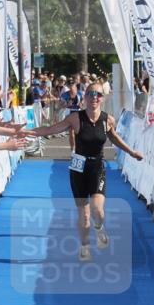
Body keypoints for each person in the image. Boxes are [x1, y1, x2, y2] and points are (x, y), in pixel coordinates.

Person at [23, 83, 143, 261]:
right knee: (84, 214)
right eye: (91, 94)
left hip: (97, 167)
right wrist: (26, 132)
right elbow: (51, 129)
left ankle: (99, 227)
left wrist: (132, 152)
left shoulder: (108, 119)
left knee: (97, 209)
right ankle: (85, 246)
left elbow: (115, 138)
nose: (95, 97)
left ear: (103, 98)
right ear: (85, 97)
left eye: (99, 94)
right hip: (78, 169)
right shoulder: (75, 118)